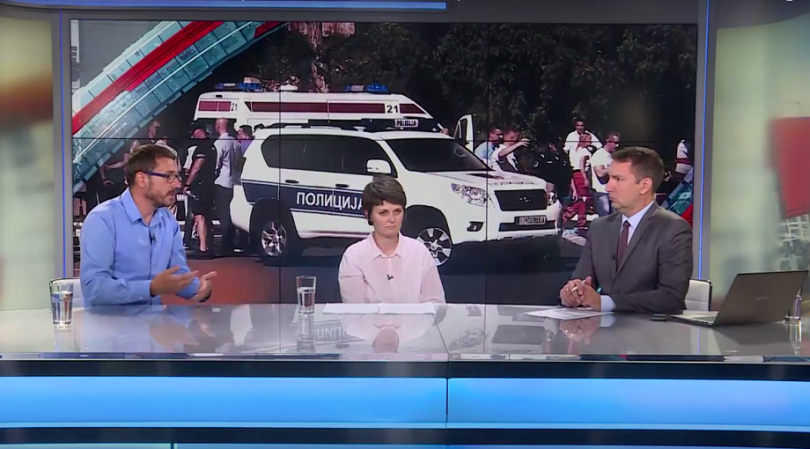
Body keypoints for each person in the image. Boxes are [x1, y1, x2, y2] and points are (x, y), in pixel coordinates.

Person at [559, 146, 692, 314]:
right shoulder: (600, 227)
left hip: (651, 328)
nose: (608, 187)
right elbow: (581, 280)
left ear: (644, 186)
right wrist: (572, 293)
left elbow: (671, 298)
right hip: (602, 329)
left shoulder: (673, 228)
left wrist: (605, 302)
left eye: (618, 179)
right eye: (609, 178)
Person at [80, 144, 216, 306]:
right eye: (168, 177)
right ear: (142, 179)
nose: (177, 184)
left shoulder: (168, 221)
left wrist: (200, 289)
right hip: (110, 321)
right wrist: (150, 288)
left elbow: (177, 274)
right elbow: (94, 289)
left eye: (177, 176)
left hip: (154, 321)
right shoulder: (103, 219)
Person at [338, 176, 446, 304]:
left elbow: (435, 304)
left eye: (397, 211)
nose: (392, 219)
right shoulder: (354, 257)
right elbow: (355, 310)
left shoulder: (419, 252)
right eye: (383, 213)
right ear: (368, 215)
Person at [184, 121, 217, 258]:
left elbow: (197, 167)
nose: (192, 136)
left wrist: (187, 183)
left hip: (200, 185)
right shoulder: (212, 146)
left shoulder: (202, 147)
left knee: (199, 216)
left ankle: (203, 248)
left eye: (193, 132)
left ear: (200, 131)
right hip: (210, 184)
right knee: (207, 216)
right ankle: (208, 246)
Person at [590, 131, 620, 217]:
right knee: (605, 218)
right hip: (602, 192)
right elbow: (600, 173)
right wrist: (614, 167)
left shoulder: (612, 156)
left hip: (612, 191)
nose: (617, 145)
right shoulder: (599, 155)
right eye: (615, 143)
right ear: (608, 141)